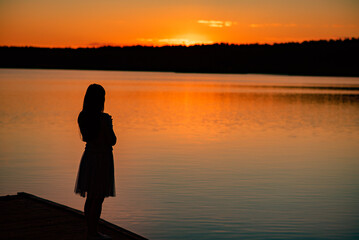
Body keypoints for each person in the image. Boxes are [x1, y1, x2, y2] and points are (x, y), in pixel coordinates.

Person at [75, 84, 116, 240]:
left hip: (89, 158)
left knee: (90, 197)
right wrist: (108, 125)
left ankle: (90, 230)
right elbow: (112, 141)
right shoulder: (104, 118)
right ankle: (93, 232)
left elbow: (87, 138)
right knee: (98, 198)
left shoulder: (82, 116)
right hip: (102, 159)